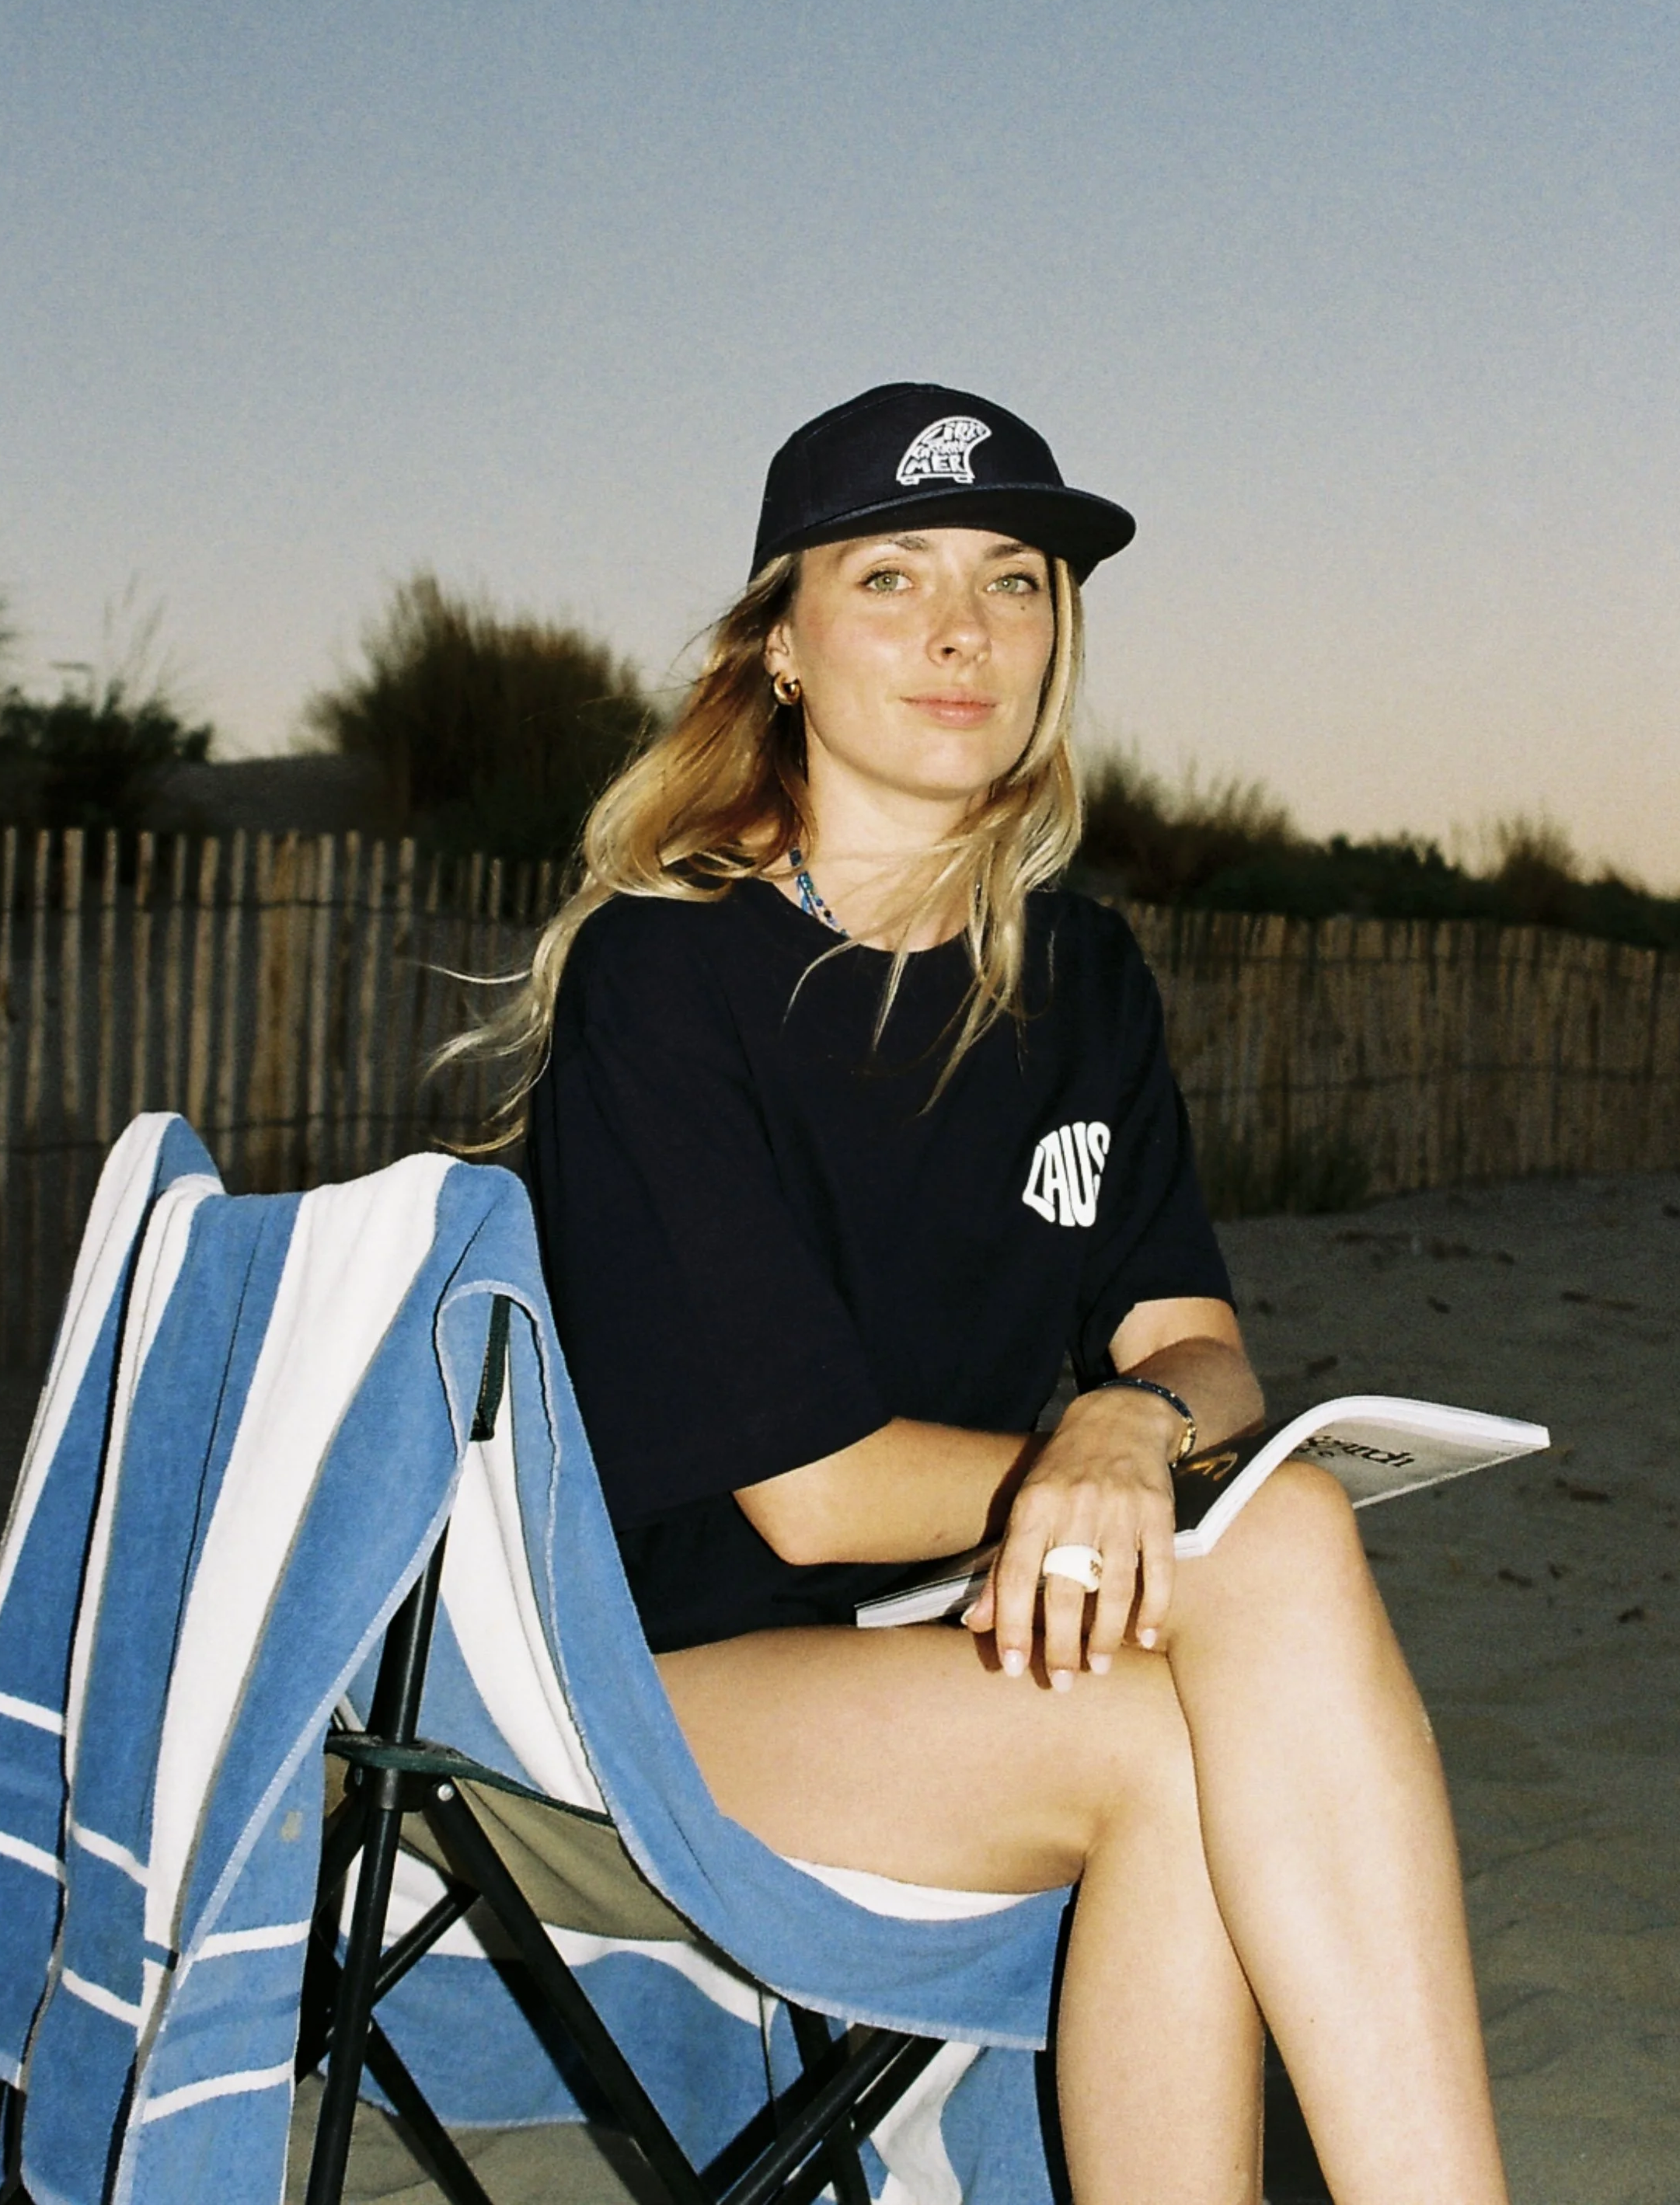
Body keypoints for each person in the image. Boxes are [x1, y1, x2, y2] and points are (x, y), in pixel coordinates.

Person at [469, 383, 1511, 2205]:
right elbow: (808, 1492)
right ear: (779, 647)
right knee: (1247, 1604)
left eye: (1015, 580)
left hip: (965, 1628)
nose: (964, 630)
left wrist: (1127, 1422)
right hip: (655, 1684)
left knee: (1254, 1605)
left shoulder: (1082, 978)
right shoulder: (669, 977)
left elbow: (1193, 1343)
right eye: (890, 576)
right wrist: (1099, 1476)